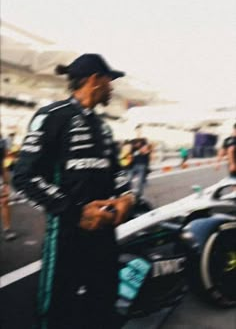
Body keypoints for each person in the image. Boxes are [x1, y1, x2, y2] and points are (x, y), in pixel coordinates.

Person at [13, 53, 135, 329]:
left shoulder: (103, 127)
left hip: (105, 234)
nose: (112, 87)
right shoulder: (52, 116)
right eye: (109, 80)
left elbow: (116, 171)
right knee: (57, 310)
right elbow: (23, 177)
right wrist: (75, 211)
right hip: (67, 234)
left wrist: (127, 198)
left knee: (104, 303)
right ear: (94, 80)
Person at [0, 134, 17, 241]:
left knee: (4, 202)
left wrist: (6, 182)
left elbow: (2, 163)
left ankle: (7, 229)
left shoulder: (2, 142)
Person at [129, 125, 150, 199]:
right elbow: (128, 151)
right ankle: (128, 196)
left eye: (140, 130)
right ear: (135, 131)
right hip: (132, 164)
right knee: (127, 180)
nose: (139, 131)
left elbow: (146, 151)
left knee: (140, 183)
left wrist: (139, 150)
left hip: (142, 164)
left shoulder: (144, 140)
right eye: (138, 130)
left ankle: (138, 197)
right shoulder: (132, 141)